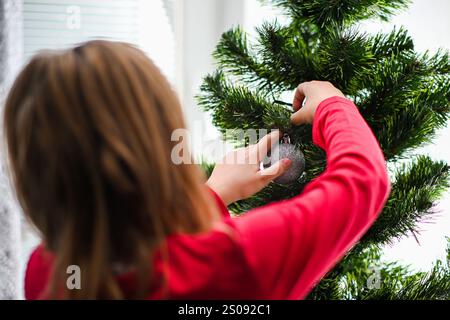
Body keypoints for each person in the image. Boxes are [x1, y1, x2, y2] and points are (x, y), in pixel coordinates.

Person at [3, 41, 390, 299]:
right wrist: (333, 106)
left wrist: (214, 195)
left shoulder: (46, 273)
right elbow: (362, 182)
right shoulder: (235, 262)